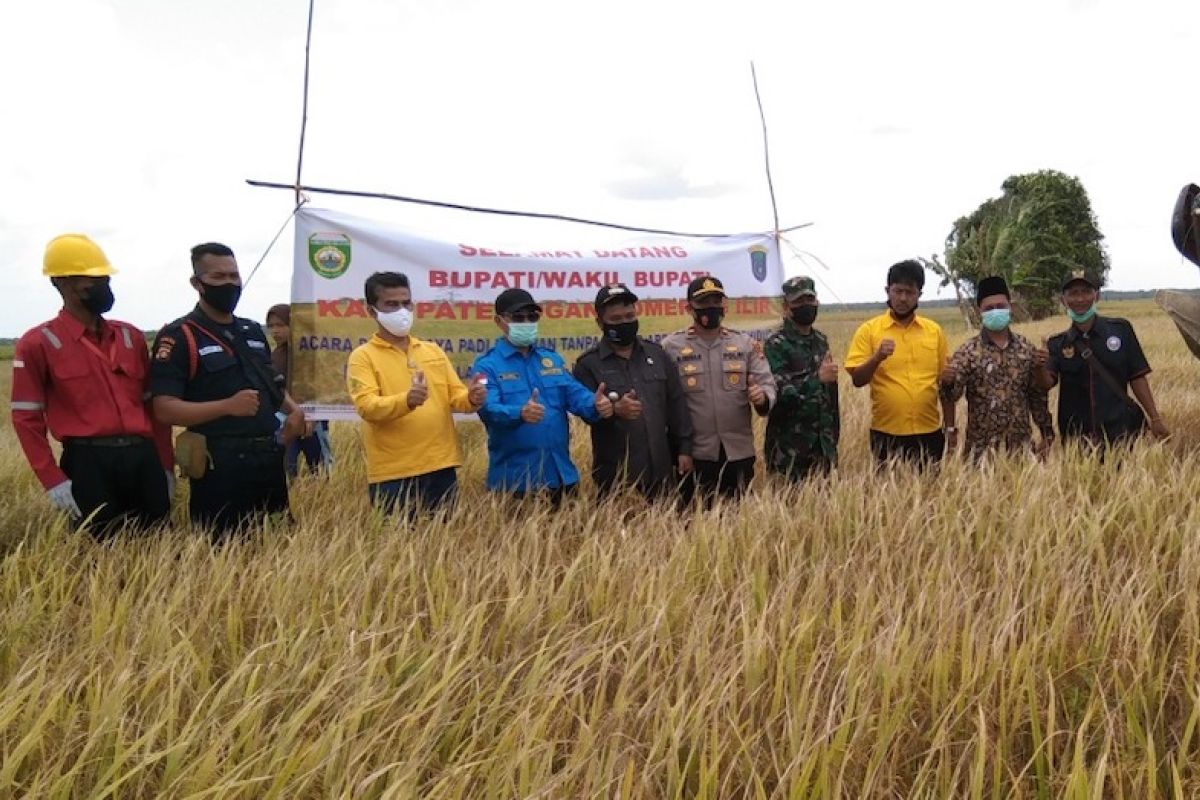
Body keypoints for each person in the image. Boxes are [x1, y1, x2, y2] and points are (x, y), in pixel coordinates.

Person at [11, 234, 174, 537]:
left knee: (160, 550)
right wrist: (53, 479)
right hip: (88, 464)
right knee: (100, 556)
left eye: (105, 278)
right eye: (93, 279)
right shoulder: (38, 343)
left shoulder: (132, 337)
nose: (104, 286)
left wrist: (165, 463)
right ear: (63, 282)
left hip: (144, 458)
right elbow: (26, 419)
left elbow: (154, 409)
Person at [150, 242, 308, 538]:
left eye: (234, 276)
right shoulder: (180, 335)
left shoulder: (251, 330)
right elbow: (164, 408)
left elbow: (272, 383)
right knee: (224, 553)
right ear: (197, 283)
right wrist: (226, 406)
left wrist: (294, 410)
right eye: (219, 277)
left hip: (268, 458)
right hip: (219, 466)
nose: (230, 284)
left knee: (278, 546)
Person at [346, 272, 486, 516]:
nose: (401, 310)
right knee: (397, 548)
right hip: (394, 473)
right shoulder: (363, 357)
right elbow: (366, 406)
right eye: (391, 304)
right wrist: (406, 401)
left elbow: (456, 397)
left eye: (406, 303)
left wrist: (472, 398)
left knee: (443, 545)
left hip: (441, 466)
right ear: (371, 311)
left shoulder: (431, 350)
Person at [472, 288, 613, 504]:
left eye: (533, 317)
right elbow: (487, 409)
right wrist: (519, 413)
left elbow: (573, 393)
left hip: (560, 476)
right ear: (499, 321)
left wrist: (596, 404)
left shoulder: (550, 360)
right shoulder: (486, 366)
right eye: (519, 317)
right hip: (515, 483)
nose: (527, 322)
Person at [572, 283, 693, 499]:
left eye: (629, 316)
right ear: (600, 322)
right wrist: (613, 409)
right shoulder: (587, 364)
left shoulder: (657, 355)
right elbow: (586, 412)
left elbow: (677, 405)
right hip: (616, 478)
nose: (625, 323)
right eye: (616, 319)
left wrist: (684, 448)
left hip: (661, 471)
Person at [661, 276, 776, 504]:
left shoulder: (745, 344)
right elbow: (666, 400)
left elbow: (767, 383)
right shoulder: (671, 347)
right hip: (695, 453)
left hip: (738, 451)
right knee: (694, 522)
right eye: (704, 303)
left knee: (739, 523)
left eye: (716, 301)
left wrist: (762, 397)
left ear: (724, 305)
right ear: (689, 308)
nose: (711, 308)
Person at [1038, 270, 1168, 445]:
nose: (1080, 299)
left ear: (1097, 296)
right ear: (1063, 300)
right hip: (1077, 436)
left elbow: (1137, 377)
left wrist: (1155, 418)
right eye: (1073, 293)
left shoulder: (1121, 330)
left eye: (1086, 292)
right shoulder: (1056, 344)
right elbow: (1046, 384)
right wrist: (1038, 364)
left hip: (1121, 430)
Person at [845, 259, 952, 466]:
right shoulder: (869, 330)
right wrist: (877, 358)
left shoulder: (934, 331)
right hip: (886, 433)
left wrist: (950, 428)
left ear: (919, 294)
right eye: (898, 291)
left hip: (929, 431)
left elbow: (945, 385)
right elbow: (857, 379)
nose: (903, 298)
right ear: (888, 290)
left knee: (931, 493)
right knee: (887, 496)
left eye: (910, 292)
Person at [938, 276, 1054, 459]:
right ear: (979, 311)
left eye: (1001, 306)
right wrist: (947, 381)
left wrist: (1047, 433)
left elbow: (1037, 396)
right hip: (979, 452)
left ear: (1010, 307)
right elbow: (951, 395)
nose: (996, 312)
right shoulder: (968, 351)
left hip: (1021, 450)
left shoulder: (1026, 349)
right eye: (989, 308)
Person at [763, 276, 840, 480]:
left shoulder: (820, 340)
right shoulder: (775, 344)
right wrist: (817, 379)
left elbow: (830, 394)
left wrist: (833, 434)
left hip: (822, 446)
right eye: (798, 302)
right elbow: (779, 394)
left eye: (809, 300)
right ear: (786, 307)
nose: (805, 306)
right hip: (789, 451)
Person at [266, 303, 333, 476]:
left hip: (313, 420)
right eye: (271, 326)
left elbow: (322, 385)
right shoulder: (275, 356)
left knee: (320, 470)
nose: (275, 331)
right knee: (288, 468)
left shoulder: (311, 353)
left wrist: (311, 415)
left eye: (281, 325)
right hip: (284, 420)